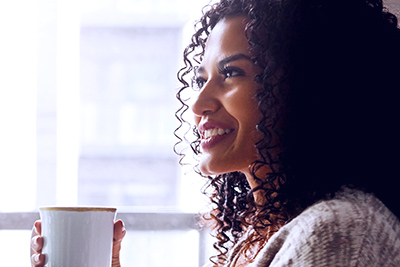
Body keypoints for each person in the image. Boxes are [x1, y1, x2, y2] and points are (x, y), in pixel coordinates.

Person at [31, 0, 400, 266]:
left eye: (231, 74)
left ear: (310, 86)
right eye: (201, 79)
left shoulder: (338, 231)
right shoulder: (266, 230)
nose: (198, 104)